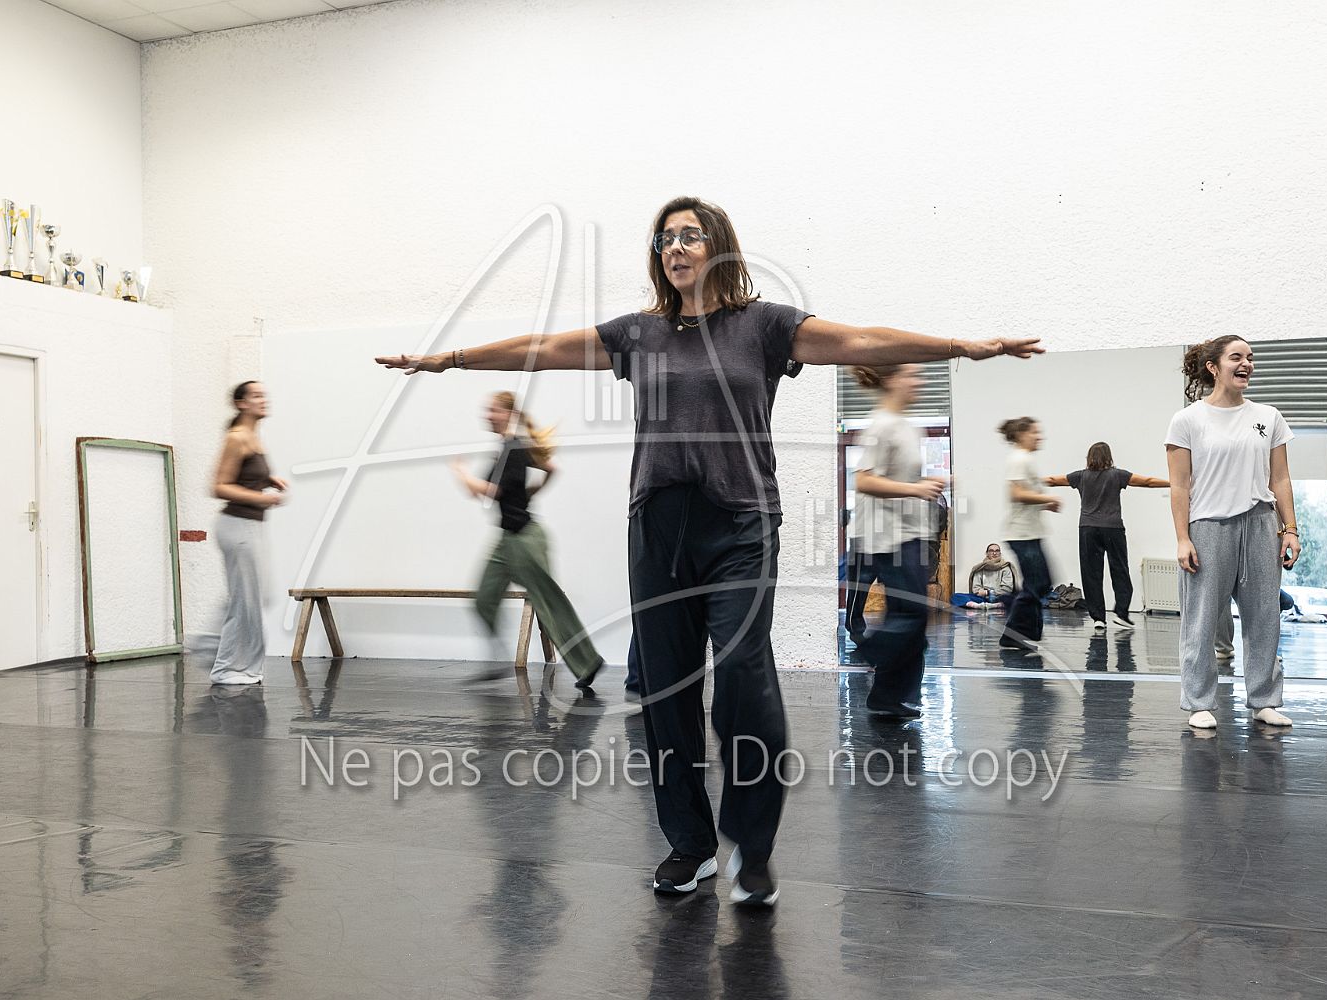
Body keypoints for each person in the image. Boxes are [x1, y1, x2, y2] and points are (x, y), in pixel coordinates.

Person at [376, 195, 1042, 907]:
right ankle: (690, 845)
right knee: (666, 690)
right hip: (658, 527)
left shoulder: (765, 326)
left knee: (744, 678)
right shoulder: (638, 334)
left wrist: (960, 346)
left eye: (690, 235)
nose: (676, 247)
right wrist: (449, 360)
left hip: (742, 523)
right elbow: (542, 348)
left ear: (719, 246)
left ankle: (752, 847)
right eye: (664, 239)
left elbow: (858, 341)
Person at [1165, 336, 1298, 730]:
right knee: (1201, 619)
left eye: (1250, 358)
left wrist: (1290, 529)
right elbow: (1179, 486)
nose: (1247, 364)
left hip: (1261, 524)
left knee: (1264, 617)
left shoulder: (1268, 416)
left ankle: (1265, 699)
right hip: (1207, 527)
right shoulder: (1187, 420)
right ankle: (1199, 702)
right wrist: (1183, 538)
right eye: (1236, 357)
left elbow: (1280, 478)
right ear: (1213, 367)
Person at [452, 391, 605, 689]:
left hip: (525, 540)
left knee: (547, 603)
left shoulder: (513, 447)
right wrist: (530, 492)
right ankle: (498, 660)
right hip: (506, 539)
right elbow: (550, 469)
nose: (488, 415)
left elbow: (492, 491)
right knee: (484, 598)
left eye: (493, 410)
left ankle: (588, 662)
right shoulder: (508, 448)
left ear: (508, 414)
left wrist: (461, 474)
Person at [845, 364, 947, 718]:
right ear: (890, 381)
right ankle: (870, 652)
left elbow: (903, 480)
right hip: (884, 536)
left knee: (913, 619)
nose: (919, 382)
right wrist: (915, 489)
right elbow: (864, 481)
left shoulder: (907, 426)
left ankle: (889, 698)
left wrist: (930, 483)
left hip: (909, 532)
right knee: (912, 614)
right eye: (911, 376)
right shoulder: (881, 425)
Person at [1044, 443, 1169, 632]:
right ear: (1109, 457)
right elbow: (1148, 481)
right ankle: (1121, 613)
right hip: (1113, 528)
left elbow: (1053, 480)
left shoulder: (1080, 476)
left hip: (1088, 529)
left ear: (1089, 457)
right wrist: (1174, 483)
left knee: (1091, 573)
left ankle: (1098, 619)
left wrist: (1028, 481)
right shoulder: (1117, 475)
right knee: (1120, 569)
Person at [210, 381, 287, 685]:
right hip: (237, 525)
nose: (263, 400)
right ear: (241, 403)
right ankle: (226, 669)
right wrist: (262, 498)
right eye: (256, 396)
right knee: (245, 602)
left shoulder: (254, 437)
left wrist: (269, 480)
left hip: (252, 526)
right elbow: (219, 486)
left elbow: (245, 476)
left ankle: (211, 646)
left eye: (264, 395)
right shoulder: (237, 437)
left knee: (259, 596)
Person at [999, 418, 1063, 651]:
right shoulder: (1019, 459)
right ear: (1022, 434)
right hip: (1021, 533)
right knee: (1038, 583)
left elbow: (1025, 497)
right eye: (1035, 432)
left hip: (1030, 532)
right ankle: (1013, 634)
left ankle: (1029, 632)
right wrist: (1048, 498)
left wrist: (1045, 504)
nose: (1039, 437)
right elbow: (1016, 494)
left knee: (1041, 583)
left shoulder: (1025, 460)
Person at [967, 543, 1016, 609]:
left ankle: (995, 605)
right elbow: (976, 589)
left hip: (999, 597)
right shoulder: (980, 568)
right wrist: (984, 594)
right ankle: (977, 605)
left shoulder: (1005, 568)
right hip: (983, 598)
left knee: (1013, 599)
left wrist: (988, 592)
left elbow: (1007, 589)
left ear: (1000, 553)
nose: (994, 553)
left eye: (997, 551)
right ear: (987, 553)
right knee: (957, 596)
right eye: (991, 551)